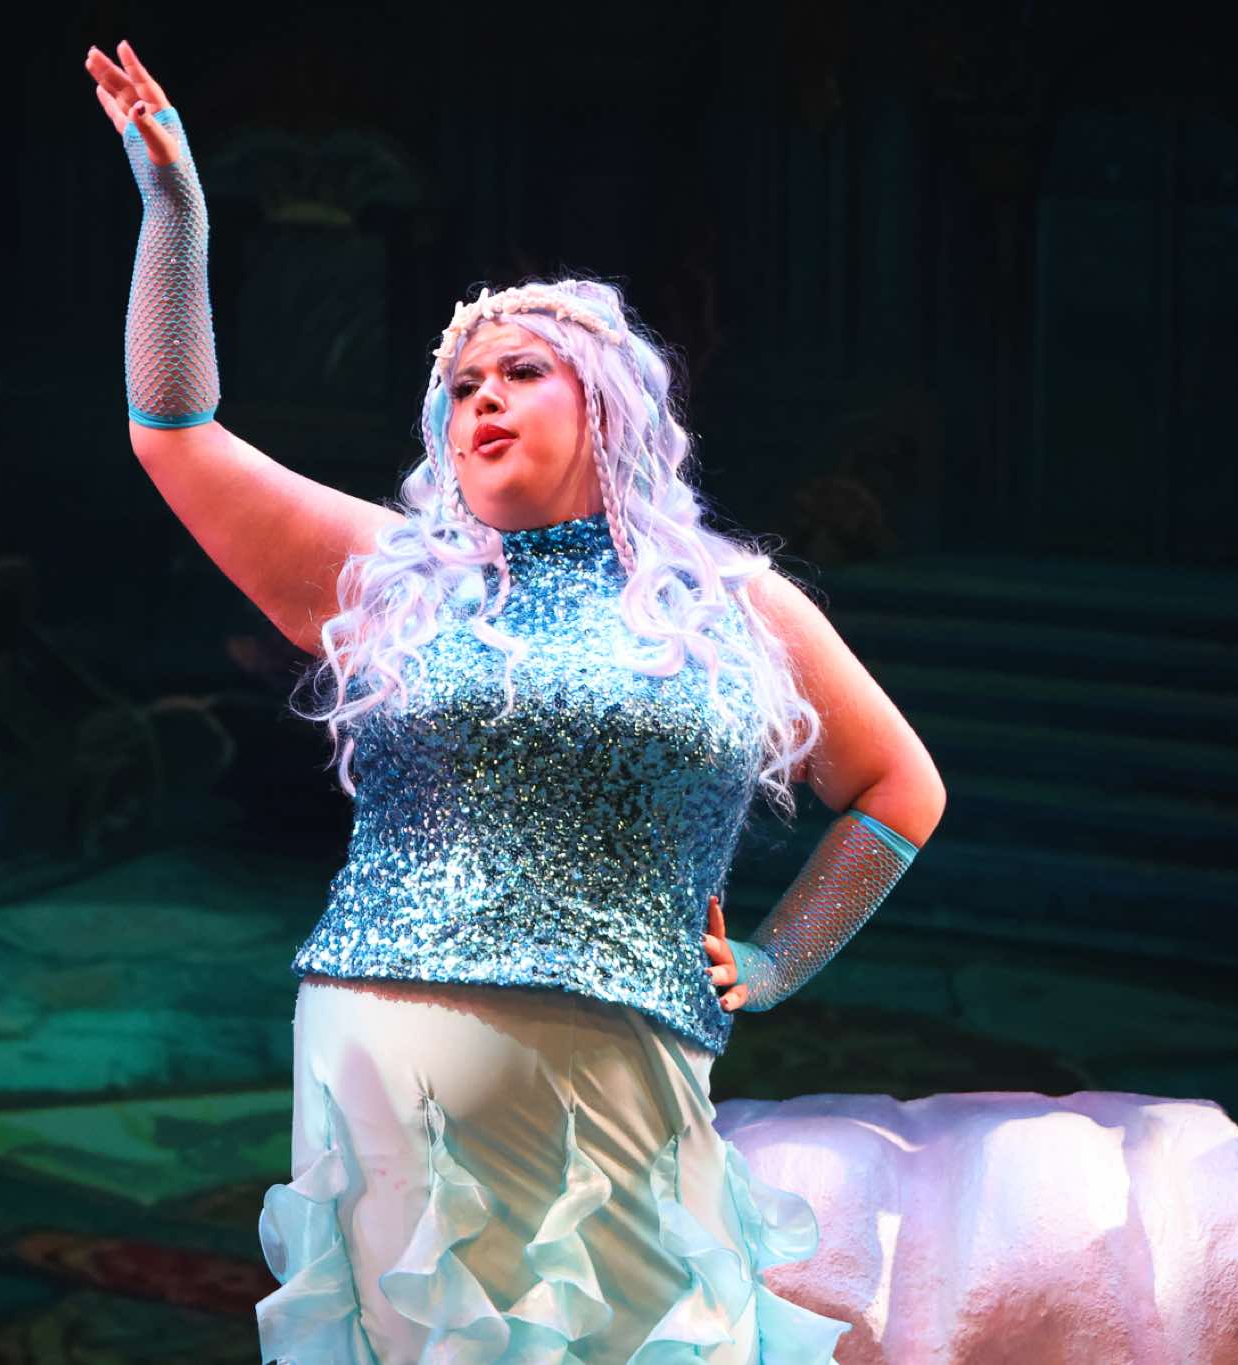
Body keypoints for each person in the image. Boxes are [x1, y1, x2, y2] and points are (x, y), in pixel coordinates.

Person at [87, 40, 946, 1362]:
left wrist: (778, 958)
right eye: (462, 387)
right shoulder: (396, 572)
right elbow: (175, 432)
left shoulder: (735, 603)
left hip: (623, 1066)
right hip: (382, 1056)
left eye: (521, 373)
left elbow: (899, 788)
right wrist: (175, 210)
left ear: (608, 403)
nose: (483, 397)